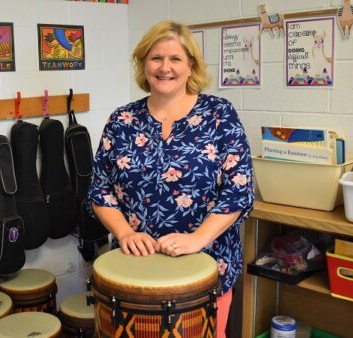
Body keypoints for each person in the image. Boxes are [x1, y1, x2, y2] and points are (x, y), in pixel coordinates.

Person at [86, 20, 254, 338]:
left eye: (175, 59)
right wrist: (124, 233)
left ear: (191, 65)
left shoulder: (220, 115)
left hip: (206, 270)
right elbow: (100, 189)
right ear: (143, 63)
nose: (165, 68)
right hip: (134, 274)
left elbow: (239, 191)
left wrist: (198, 239)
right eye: (156, 58)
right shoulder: (122, 121)